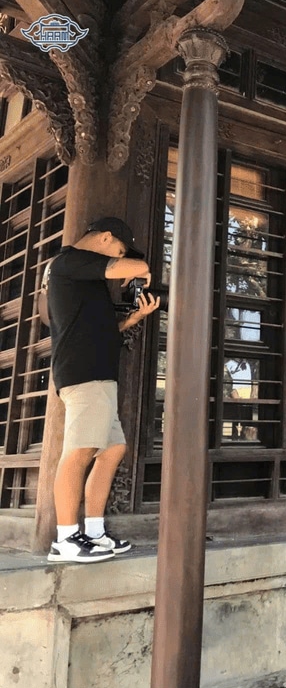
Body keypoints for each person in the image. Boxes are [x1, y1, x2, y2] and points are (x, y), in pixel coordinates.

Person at [46, 217, 160, 563]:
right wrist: (140, 268)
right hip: (83, 373)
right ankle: (65, 539)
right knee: (80, 450)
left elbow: (98, 328)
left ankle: (94, 531)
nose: (121, 261)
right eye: (119, 252)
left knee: (112, 449)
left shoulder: (81, 275)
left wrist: (132, 320)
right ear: (106, 238)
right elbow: (136, 266)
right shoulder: (70, 261)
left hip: (96, 373)